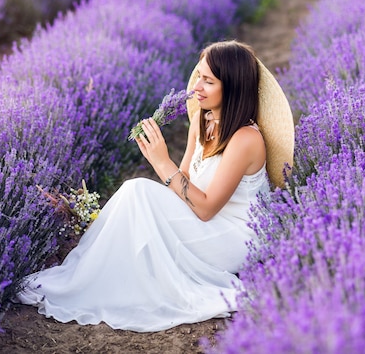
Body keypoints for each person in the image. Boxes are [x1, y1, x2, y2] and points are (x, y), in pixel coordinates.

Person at [15, 40, 294, 332]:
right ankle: (93, 274)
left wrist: (162, 164)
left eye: (208, 81)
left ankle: (99, 277)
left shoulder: (246, 139)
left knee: (139, 191)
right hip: (206, 222)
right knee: (137, 194)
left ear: (233, 88)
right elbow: (183, 183)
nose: (196, 86)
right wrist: (156, 160)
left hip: (236, 237)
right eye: (198, 75)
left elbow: (207, 208)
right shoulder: (203, 119)